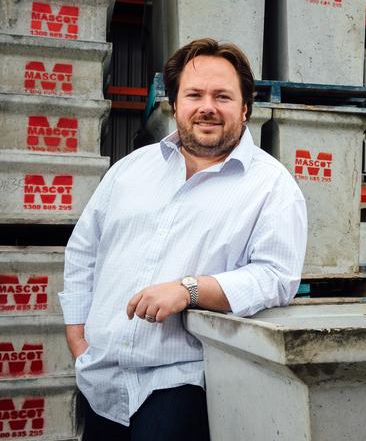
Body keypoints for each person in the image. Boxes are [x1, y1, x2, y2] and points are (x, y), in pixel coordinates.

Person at [59, 38, 308, 440]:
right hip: (100, 377)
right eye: (194, 94)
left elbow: (276, 276)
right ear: (174, 104)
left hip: (180, 382)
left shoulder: (271, 187)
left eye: (223, 96)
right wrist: (76, 336)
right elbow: (84, 249)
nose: (207, 106)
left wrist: (189, 290)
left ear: (245, 108)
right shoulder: (131, 170)